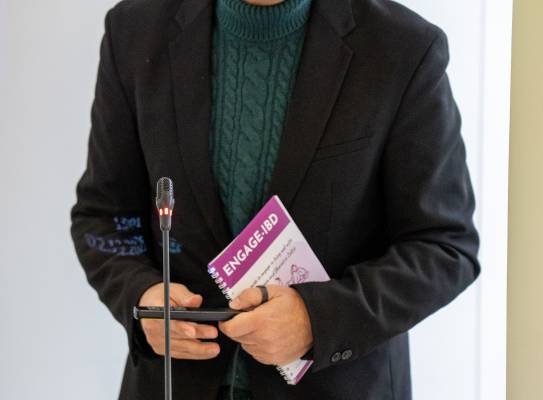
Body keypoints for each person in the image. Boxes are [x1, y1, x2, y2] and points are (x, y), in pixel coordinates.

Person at [70, 0, 480, 398]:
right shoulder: (134, 32)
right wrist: (140, 297)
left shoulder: (403, 47)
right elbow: (105, 217)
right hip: (173, 384)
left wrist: (317, 320)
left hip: (334, 385)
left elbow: (444, 245)